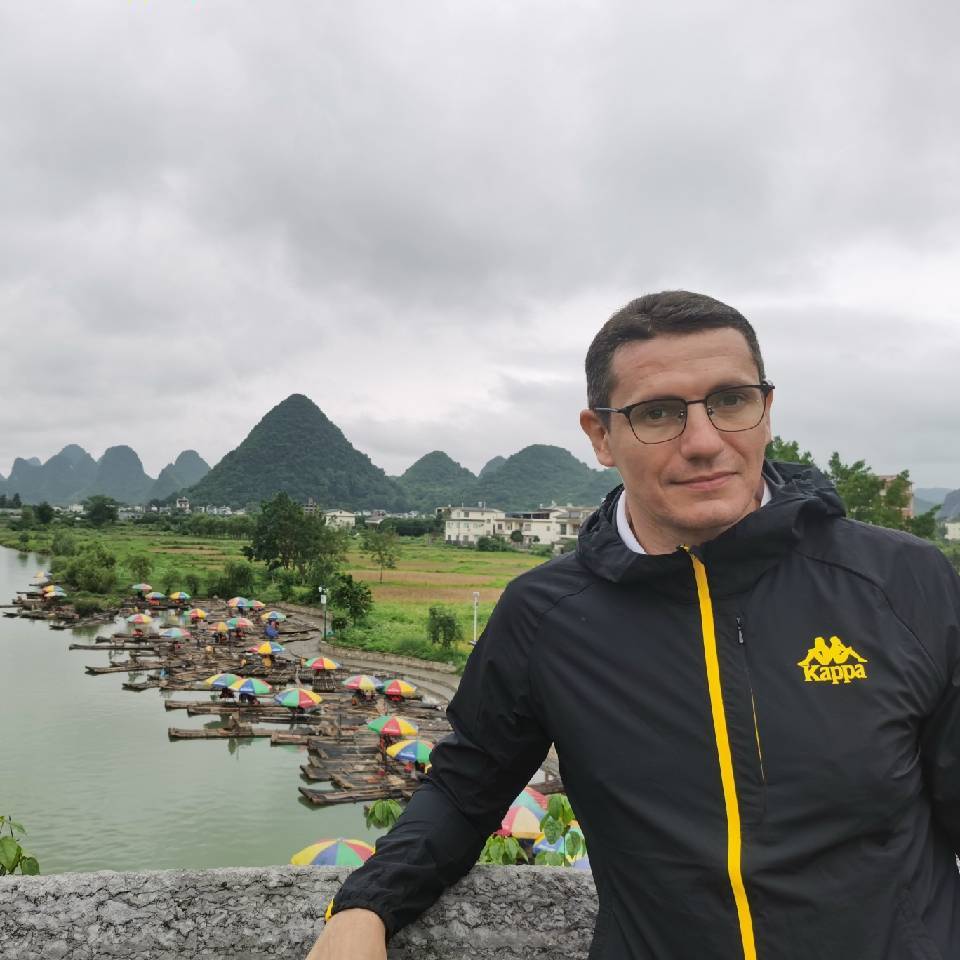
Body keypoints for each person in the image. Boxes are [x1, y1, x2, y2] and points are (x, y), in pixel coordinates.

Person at [308, 291, 960, 960]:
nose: (704, 442)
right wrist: (365, 908)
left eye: (731, 401)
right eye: (658, 413)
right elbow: (463, 787)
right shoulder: (546, 616)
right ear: (600, 436)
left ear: (767, 410)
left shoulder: (899, 581)